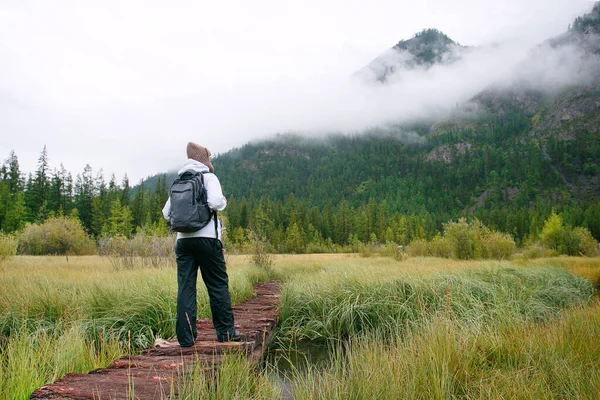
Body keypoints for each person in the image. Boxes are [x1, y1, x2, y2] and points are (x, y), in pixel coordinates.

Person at [162, 142, 240, 346]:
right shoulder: (209, 177)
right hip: (208, 240)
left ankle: (186, 339)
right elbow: (216, 202)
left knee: (186, 288)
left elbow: (165, 213)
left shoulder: (179, 180)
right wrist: (223, 200)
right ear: (204, 160)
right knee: (217, 285)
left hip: (183, 242)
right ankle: (226, 333)